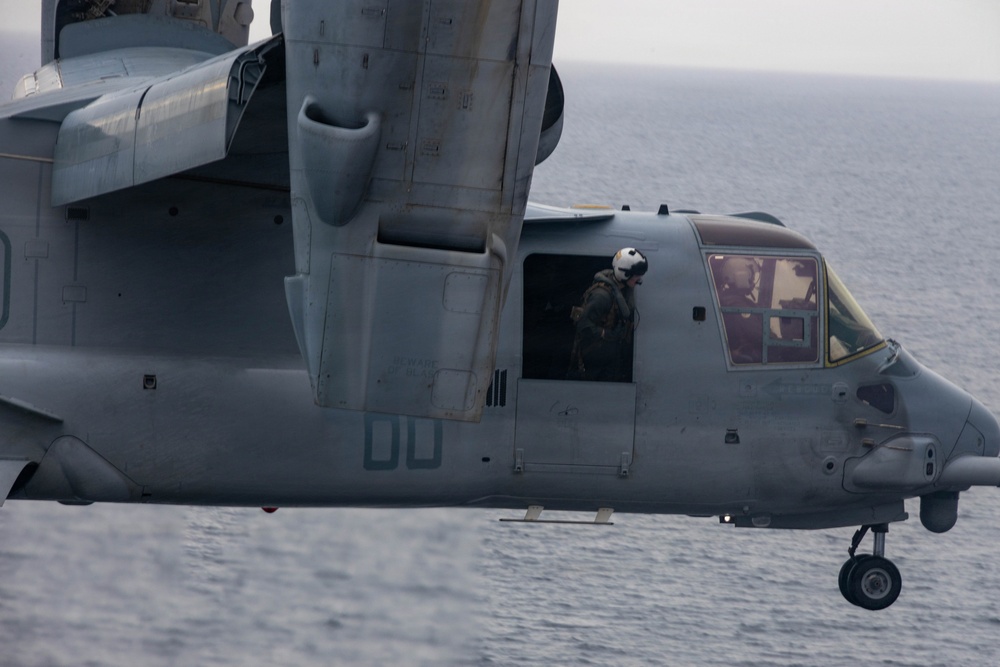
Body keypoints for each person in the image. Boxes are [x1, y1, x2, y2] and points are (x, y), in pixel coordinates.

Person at [569, 248, 648, 381]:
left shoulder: (622, 290)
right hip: (595, 360)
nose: (639, 280)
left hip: (609, 357)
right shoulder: (602, 296)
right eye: (636, 275)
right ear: (625, 274)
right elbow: (583, 325)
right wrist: (606, 334)